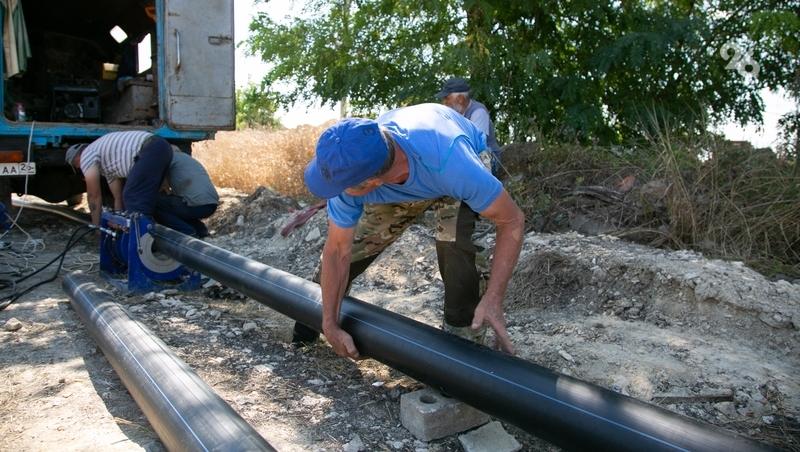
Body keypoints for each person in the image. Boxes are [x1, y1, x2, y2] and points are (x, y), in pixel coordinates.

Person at [293, 103, 524, 359]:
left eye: (342, 186)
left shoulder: (453, 163)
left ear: (371, 182)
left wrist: (494, 297)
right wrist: (330, 324)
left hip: (448, 164)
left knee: (456, 246)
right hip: (410, 172)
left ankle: (462, 360)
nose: (336, 191)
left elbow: (512, 220)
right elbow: (337, 252)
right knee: (356, 248)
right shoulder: (350, 168)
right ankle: (305, 334)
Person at [65, 131, 172, 225]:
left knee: (132, 197)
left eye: (77, 166)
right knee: (153, 200)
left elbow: (94, 196)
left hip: (150, 148)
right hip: (162, 146)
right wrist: (118, 220)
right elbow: (118, 197)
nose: (81, 168)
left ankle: (142, 240)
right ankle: (183, 232)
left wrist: (96, 227)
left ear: (76, 160)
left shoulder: (86, 155)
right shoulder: (108, 166)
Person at [436, 77, 501, 172]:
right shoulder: (454, 115)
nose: (444, 103)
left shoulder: (478, 112)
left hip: (487, 158)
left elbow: (477, 144)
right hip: (467, 157)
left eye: (447, 98)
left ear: (460, 99)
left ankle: (486, 184)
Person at [154, 147, 219, 237]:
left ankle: (186, 231)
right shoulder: (186, 159)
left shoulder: (169, 158)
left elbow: (156, 185)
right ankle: (200, 230)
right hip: (212, 205)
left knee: (154, 202)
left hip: (197, 205)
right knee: (176, 206)